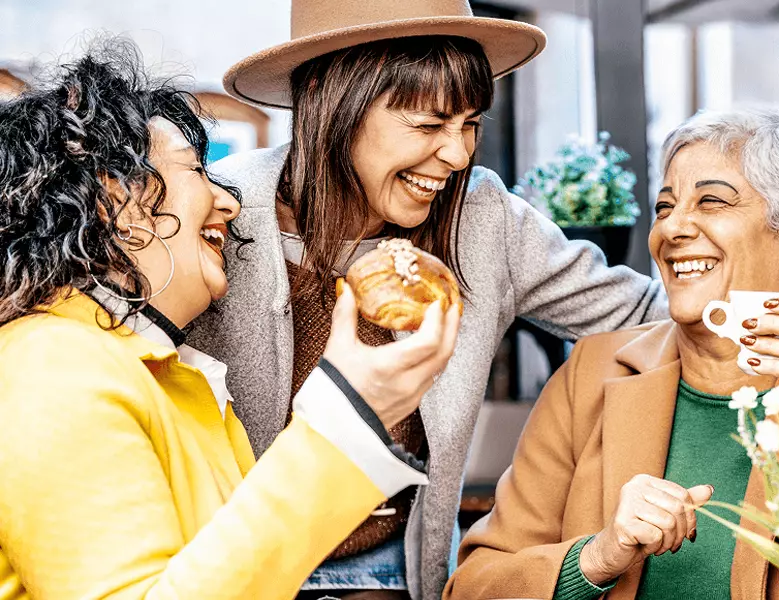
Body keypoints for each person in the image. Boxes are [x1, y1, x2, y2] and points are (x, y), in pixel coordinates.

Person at [199, 2, 779, 597]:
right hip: (232, 552)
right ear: (337, 105)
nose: (456, 155)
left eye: (469, 126)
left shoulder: (481, 218)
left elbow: (664, 311)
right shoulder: (223, 215)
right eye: (428, 126)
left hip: (390, 570)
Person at [0, 46, 458, 600]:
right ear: (115, 199)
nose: (229, 203)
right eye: (196, 170)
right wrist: (349, 416)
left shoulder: (166, 375)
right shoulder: (50, 369)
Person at [444, 107, 779, 600]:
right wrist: (595, 559)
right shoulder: (588, 375)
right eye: (664, 206)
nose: (672, 228)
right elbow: (474, 588)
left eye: (712, 202)